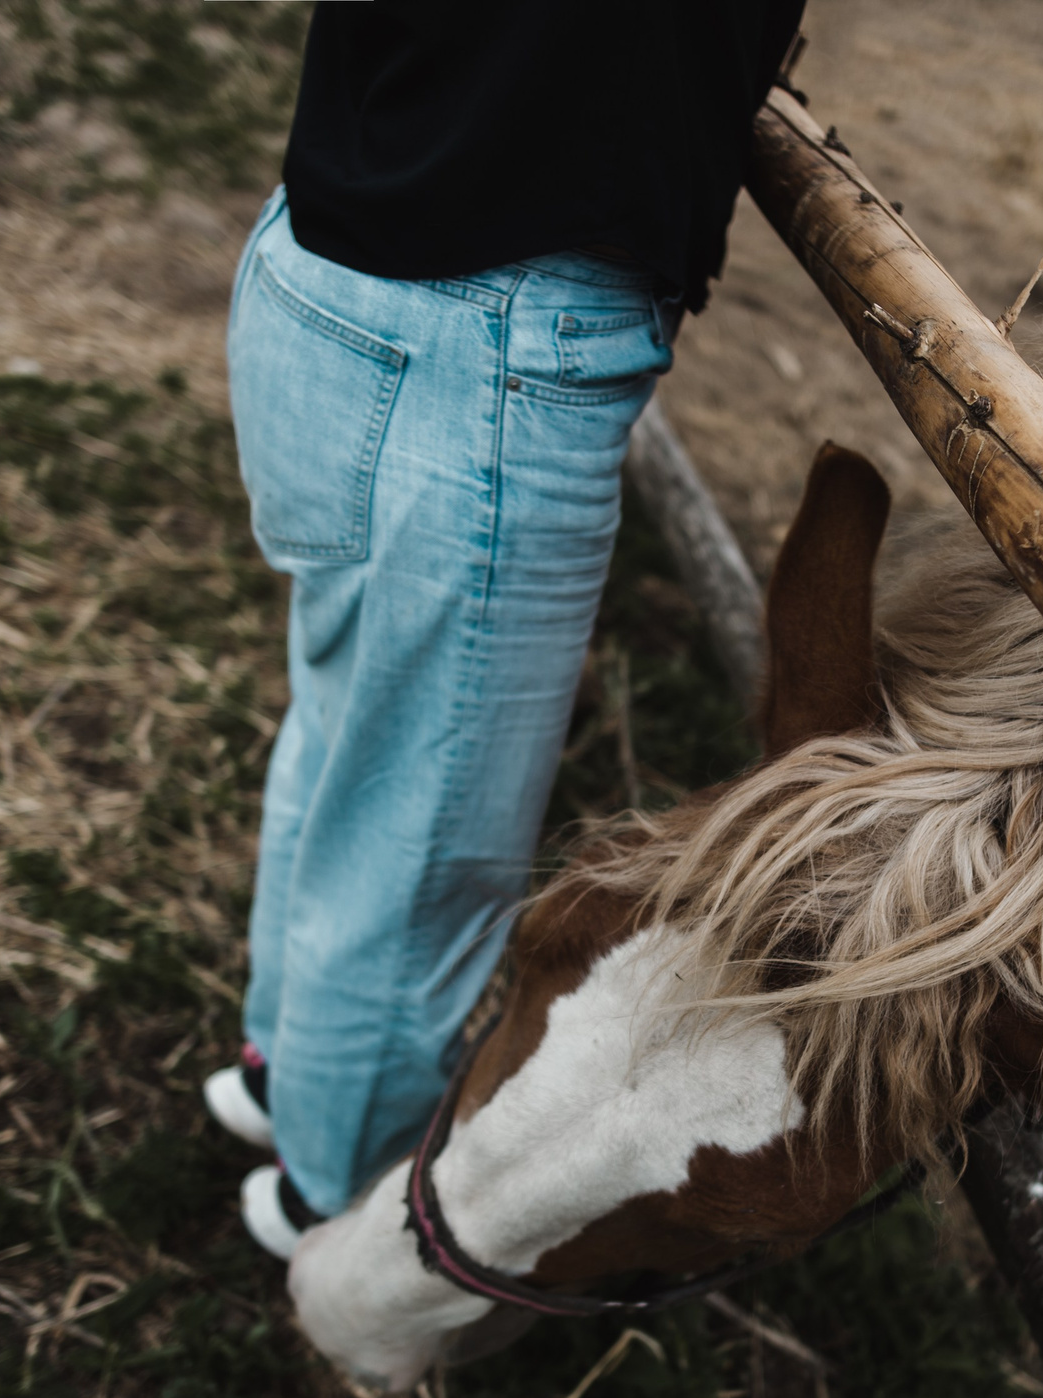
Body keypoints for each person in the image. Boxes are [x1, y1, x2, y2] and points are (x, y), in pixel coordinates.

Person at [208, 2, 810, 1257]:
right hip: (480, 333)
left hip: (336, 257)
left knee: (345, 738)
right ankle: (334, 1196)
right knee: (423, 846)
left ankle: (287, 1072)